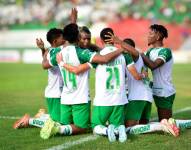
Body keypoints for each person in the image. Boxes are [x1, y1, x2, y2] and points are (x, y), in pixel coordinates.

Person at [40, 23, 128, 140]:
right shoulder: (81, 53)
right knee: (83, 127)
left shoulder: (59, 53)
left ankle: (54, 124)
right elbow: (104, 58)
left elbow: (44, 65)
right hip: (80, 98)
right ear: (78, 37)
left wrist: (44, 53)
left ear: (65, 37)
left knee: (67, 123)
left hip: (65, 98)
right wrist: (121, 49)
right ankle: (58, 129)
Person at [105, 33, 179, 137]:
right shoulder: (141, 57)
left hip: (137, 96)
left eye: (123, 48)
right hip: (147, 96)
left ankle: (161, 126)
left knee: (128, 128)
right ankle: (168, 123)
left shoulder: (133, 56)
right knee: (143, 125)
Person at [13, 28, 65, 129]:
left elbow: (47, 58)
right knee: (58, 124)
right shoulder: (54, 51)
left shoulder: (50, 51)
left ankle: (42, 116)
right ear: (55, 41)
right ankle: (29, 121)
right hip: (55, 93)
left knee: (64, 119)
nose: (64, 39)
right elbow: (45, 63)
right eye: (62, 38)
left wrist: (42, 49)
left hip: (60, 91)